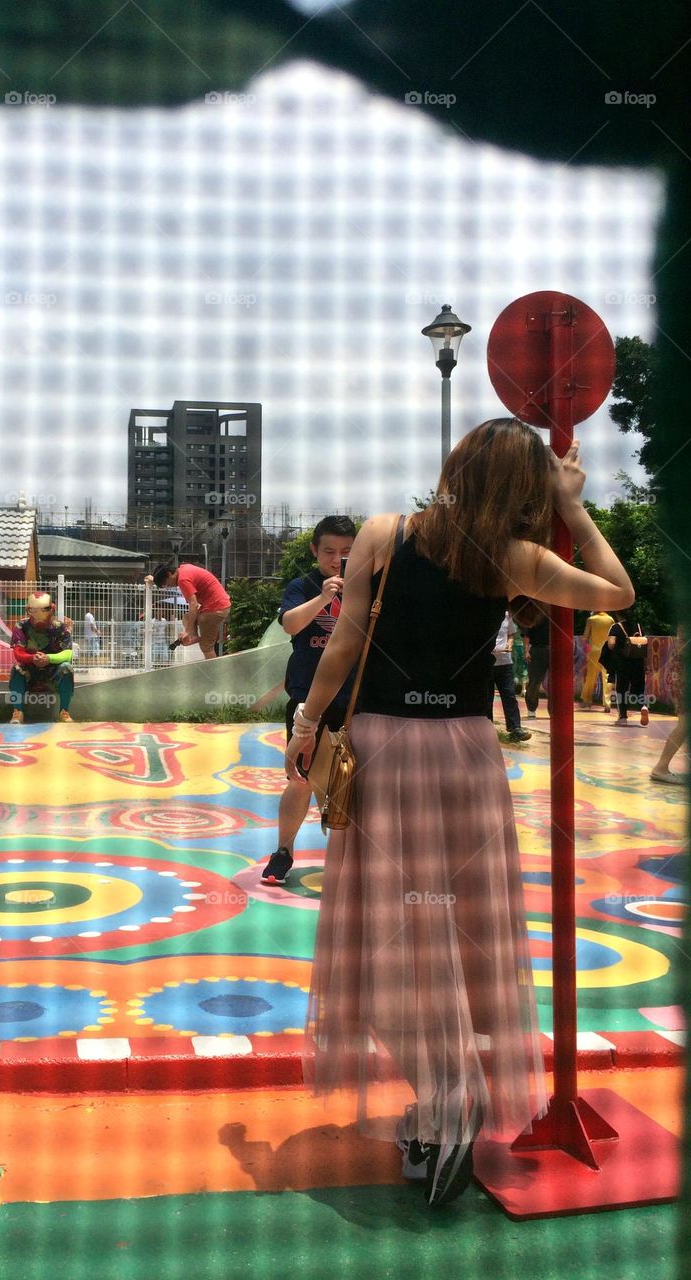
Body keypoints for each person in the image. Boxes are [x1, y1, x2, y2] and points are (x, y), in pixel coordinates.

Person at [284, 421, 633, 1208]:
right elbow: (617, 593)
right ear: (525, 490)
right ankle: (449, 1100)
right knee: (461, 934)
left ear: (454, 465)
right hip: (466, 757)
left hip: (382, 747)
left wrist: (307, 727)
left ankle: (443, 1098)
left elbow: (341, 649)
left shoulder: (384, 533)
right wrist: (573, 511)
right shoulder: (513, 559)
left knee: (378, 940)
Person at [261, 515, 357, 885]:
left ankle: (349, 857)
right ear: (315, 550)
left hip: (354, 699)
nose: (337, 559)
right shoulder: (302, 586)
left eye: (347, 552)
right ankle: (283, 852)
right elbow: (290, 625)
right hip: (306, 700)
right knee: (300, 778)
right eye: (330, 551)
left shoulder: (368, 586)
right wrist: (325, 596)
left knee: (349, 781)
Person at [8, 592, 75, 724]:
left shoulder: (60, 627)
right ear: (28, 611)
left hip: (53, 674)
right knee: (17, 668)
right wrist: (33, 658)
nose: (39, 618)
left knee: (66, 668)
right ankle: (17, 712)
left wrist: (48, 658)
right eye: (34, 612)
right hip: (30, 674)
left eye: (44, 611)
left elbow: (67, 654)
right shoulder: (21, 626)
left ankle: (64, 711)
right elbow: (18, 653)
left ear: (52, 609)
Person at [148, 562, 231, 659]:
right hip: (216, 604)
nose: (168, 586)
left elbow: (194, 605)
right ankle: (195, 636)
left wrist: (187, 631)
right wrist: (154, 579)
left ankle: (214, 673)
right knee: (187, 618)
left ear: (169, 574)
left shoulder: (183, 580)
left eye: (166, 584)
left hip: (216, 608)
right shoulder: (184, 568)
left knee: (206, 647)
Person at [489, 611, 532, 742]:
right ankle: (487, 729)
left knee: (509, 696)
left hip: (505, 662)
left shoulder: (507, 615)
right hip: (487, 662)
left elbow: (511, 634)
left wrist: (510, 644)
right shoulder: (483, 613)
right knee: (486, 697)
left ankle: (515, 729)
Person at [651, 628, 687, 782]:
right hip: (684, 677)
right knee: (685, 724)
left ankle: (661, 767)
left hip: (682, 675)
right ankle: (661, 767)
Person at [607, 609, 649, 726]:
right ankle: (643, 706)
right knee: (639, 688)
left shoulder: (616, 627)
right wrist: (645, 665)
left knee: (621, 690)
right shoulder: (639, 627)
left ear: (617, 614)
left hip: (622, 664)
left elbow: (611, 644)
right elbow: (644, 645)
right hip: (638, 663)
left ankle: (623, 717)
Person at [578, 609, 614, 711]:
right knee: (607, 677)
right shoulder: (610, 619)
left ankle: (587, 700)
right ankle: (607, 704)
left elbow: (585, 637)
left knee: (591, 676)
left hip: (594, 651)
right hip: (607, 652)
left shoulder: (591, 619)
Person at [521, 608, 551, 720]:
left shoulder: (555, 612)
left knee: (555, 683)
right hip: (538, 649)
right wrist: (526, 651)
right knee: (535, 681)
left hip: (554, 649)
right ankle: (531, 708)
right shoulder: (533, 613)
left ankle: (554, 710)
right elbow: (526, 634)